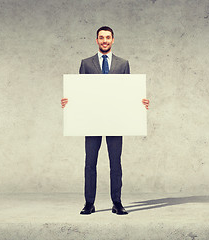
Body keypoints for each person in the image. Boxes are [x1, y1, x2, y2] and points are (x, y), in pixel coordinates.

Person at [61, 26, 149, 215]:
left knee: (115, 163)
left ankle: (117, 202)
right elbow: (79, 91)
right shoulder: (85, 63)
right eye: (101, 38)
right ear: (96, 40)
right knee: (90, 163)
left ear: (113, 40)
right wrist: (69, 101)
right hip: (91, 120)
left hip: (115, 119)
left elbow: (128, 92)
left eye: (108, 37)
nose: (104, 41)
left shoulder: (123, 64)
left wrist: (140, 102)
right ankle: (89, 203)